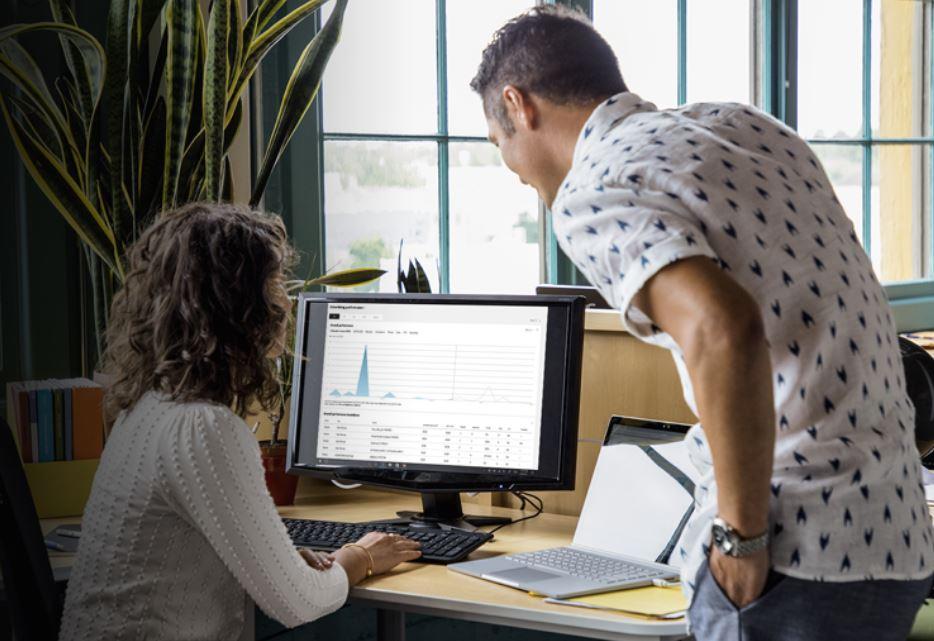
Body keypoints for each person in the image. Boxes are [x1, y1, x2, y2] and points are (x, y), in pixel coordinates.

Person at [471, 6, 933, 640]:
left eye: (498, 144)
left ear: (517, 105)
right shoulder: (744, 127)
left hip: (795, 554)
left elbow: (722, 329)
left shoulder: (593, 186)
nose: (513, 170)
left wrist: (741, 542)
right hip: (894, 535)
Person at [59, 203, 421, 640]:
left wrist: (284, 563)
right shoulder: (203, 431)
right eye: (274, 285)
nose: (285, 302)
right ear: (239, 306)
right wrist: (360, 556)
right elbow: (299, 603)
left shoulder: (145, 409)